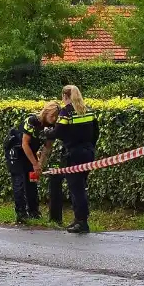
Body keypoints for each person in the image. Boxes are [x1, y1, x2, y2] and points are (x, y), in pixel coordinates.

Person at [50, 85, 99, 234]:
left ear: (65, 96)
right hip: (88, 153)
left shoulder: (67, 111)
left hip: (74, 154)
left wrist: (46, 133)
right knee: (82, 186)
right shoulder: (89, 109)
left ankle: (81, 221)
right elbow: (96, 132)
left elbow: (58, 132)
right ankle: (80, 219)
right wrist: (90, 146)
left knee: (76, 188)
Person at [4, 101, 60, 224]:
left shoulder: (53, 127)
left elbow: (47, 148)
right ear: (45, 112)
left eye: (56, 116)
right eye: (52, 115)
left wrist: (40, 164)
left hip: (31, 153)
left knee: (32, 181)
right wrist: (34, 163)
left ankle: (34, 212)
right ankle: (21, 214)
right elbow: (25, 143)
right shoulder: (32, 121)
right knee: (19, 181)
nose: (54, 118)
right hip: (17, 150)